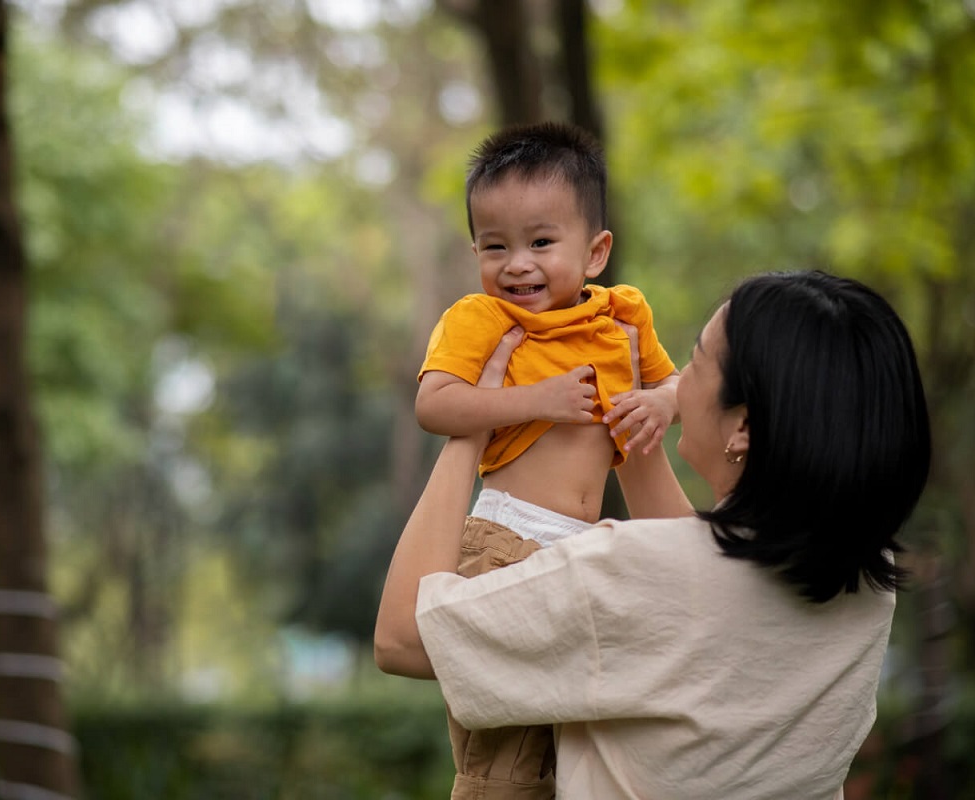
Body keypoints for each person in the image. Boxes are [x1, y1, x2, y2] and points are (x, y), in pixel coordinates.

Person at [378, 270, 931, 800]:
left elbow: (402, 638)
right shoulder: (868, 588)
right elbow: (702, 582)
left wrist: (472, 424)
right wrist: (618, 398)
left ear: (743, 426)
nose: (676, 382)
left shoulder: (621, 573)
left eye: (695, 360)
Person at [415, 122, 680, 796]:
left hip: (590, 550)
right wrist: (536, 399)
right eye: (494, 245)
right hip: (506, 540)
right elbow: (436, 405)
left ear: (595, 253)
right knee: (506, 760)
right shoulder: (484, 319)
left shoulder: (623, 317)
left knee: (583, 756)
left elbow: (672, 383)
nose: (517, 264)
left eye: (540, 242)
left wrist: (662, 406)